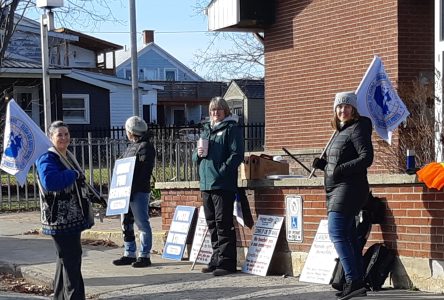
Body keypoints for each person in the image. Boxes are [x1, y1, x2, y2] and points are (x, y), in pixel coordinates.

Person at [312, 91, 374, 300]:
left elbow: (366, 158)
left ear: (354, 109)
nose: (342, 110)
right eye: (339, 107)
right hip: (336, 189)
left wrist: (339, 170)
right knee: (348, 236)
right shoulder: (341, 131)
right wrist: (325, 166)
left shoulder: (358, 127)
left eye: (347, 106)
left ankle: (354, 280)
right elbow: (339, 161)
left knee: (336, 232)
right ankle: (356, 280)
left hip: (349, 188)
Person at [36, 120, 106, 300]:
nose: (64, 138)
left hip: (70, 219)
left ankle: (60, 296)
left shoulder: (66, 155)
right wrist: (72, 174)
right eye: (59, 134)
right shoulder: (47, 157)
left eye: (66, 134)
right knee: (72, 261)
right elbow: (50, 182)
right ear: (50, 137)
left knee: (65, 260)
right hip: (59, 220)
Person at [192, 96, 245, 276]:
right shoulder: (206, 130)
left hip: (222, 184)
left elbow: (236, 154)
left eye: (218, 109)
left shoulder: (231, 128)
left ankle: (227, 262)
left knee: (223, 223)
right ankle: (216, 258)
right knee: (212, 223)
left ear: (225, 111)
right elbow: (196, 157)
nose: (215, 113)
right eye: (212, 110)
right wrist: (197, 155)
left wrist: (222, 171)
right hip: (206, 183)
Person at [112, 116, 155, 268]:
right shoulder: (132, 147)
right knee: (126, 223)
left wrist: (131, 188)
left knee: (142, 222)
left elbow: (143, 172)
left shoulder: (145, 147)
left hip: (138, 191)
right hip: (126, 191)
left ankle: (144, 255)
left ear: (130, 132)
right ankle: (129, 253)